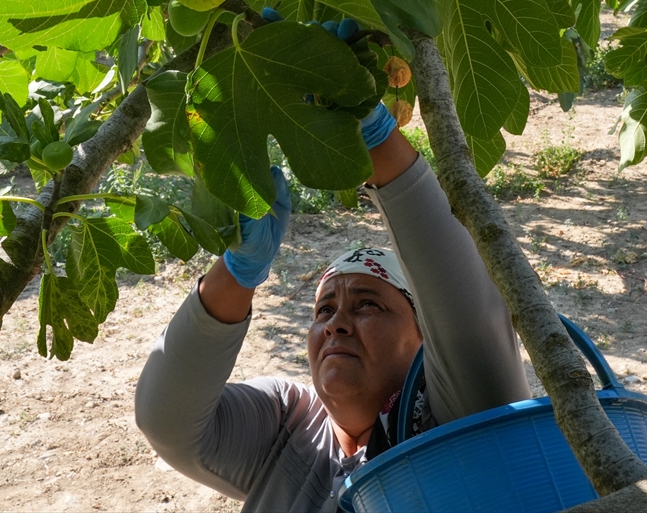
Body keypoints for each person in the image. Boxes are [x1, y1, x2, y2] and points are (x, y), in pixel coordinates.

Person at [135, 97, 531, 513]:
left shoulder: (459, 411)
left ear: (426, 335)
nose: (335, 324)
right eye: (324, 310)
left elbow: (467, 310)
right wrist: (237, 273)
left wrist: (374, 135)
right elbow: (166, 421)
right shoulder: (290, 423)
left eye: (368, 306)